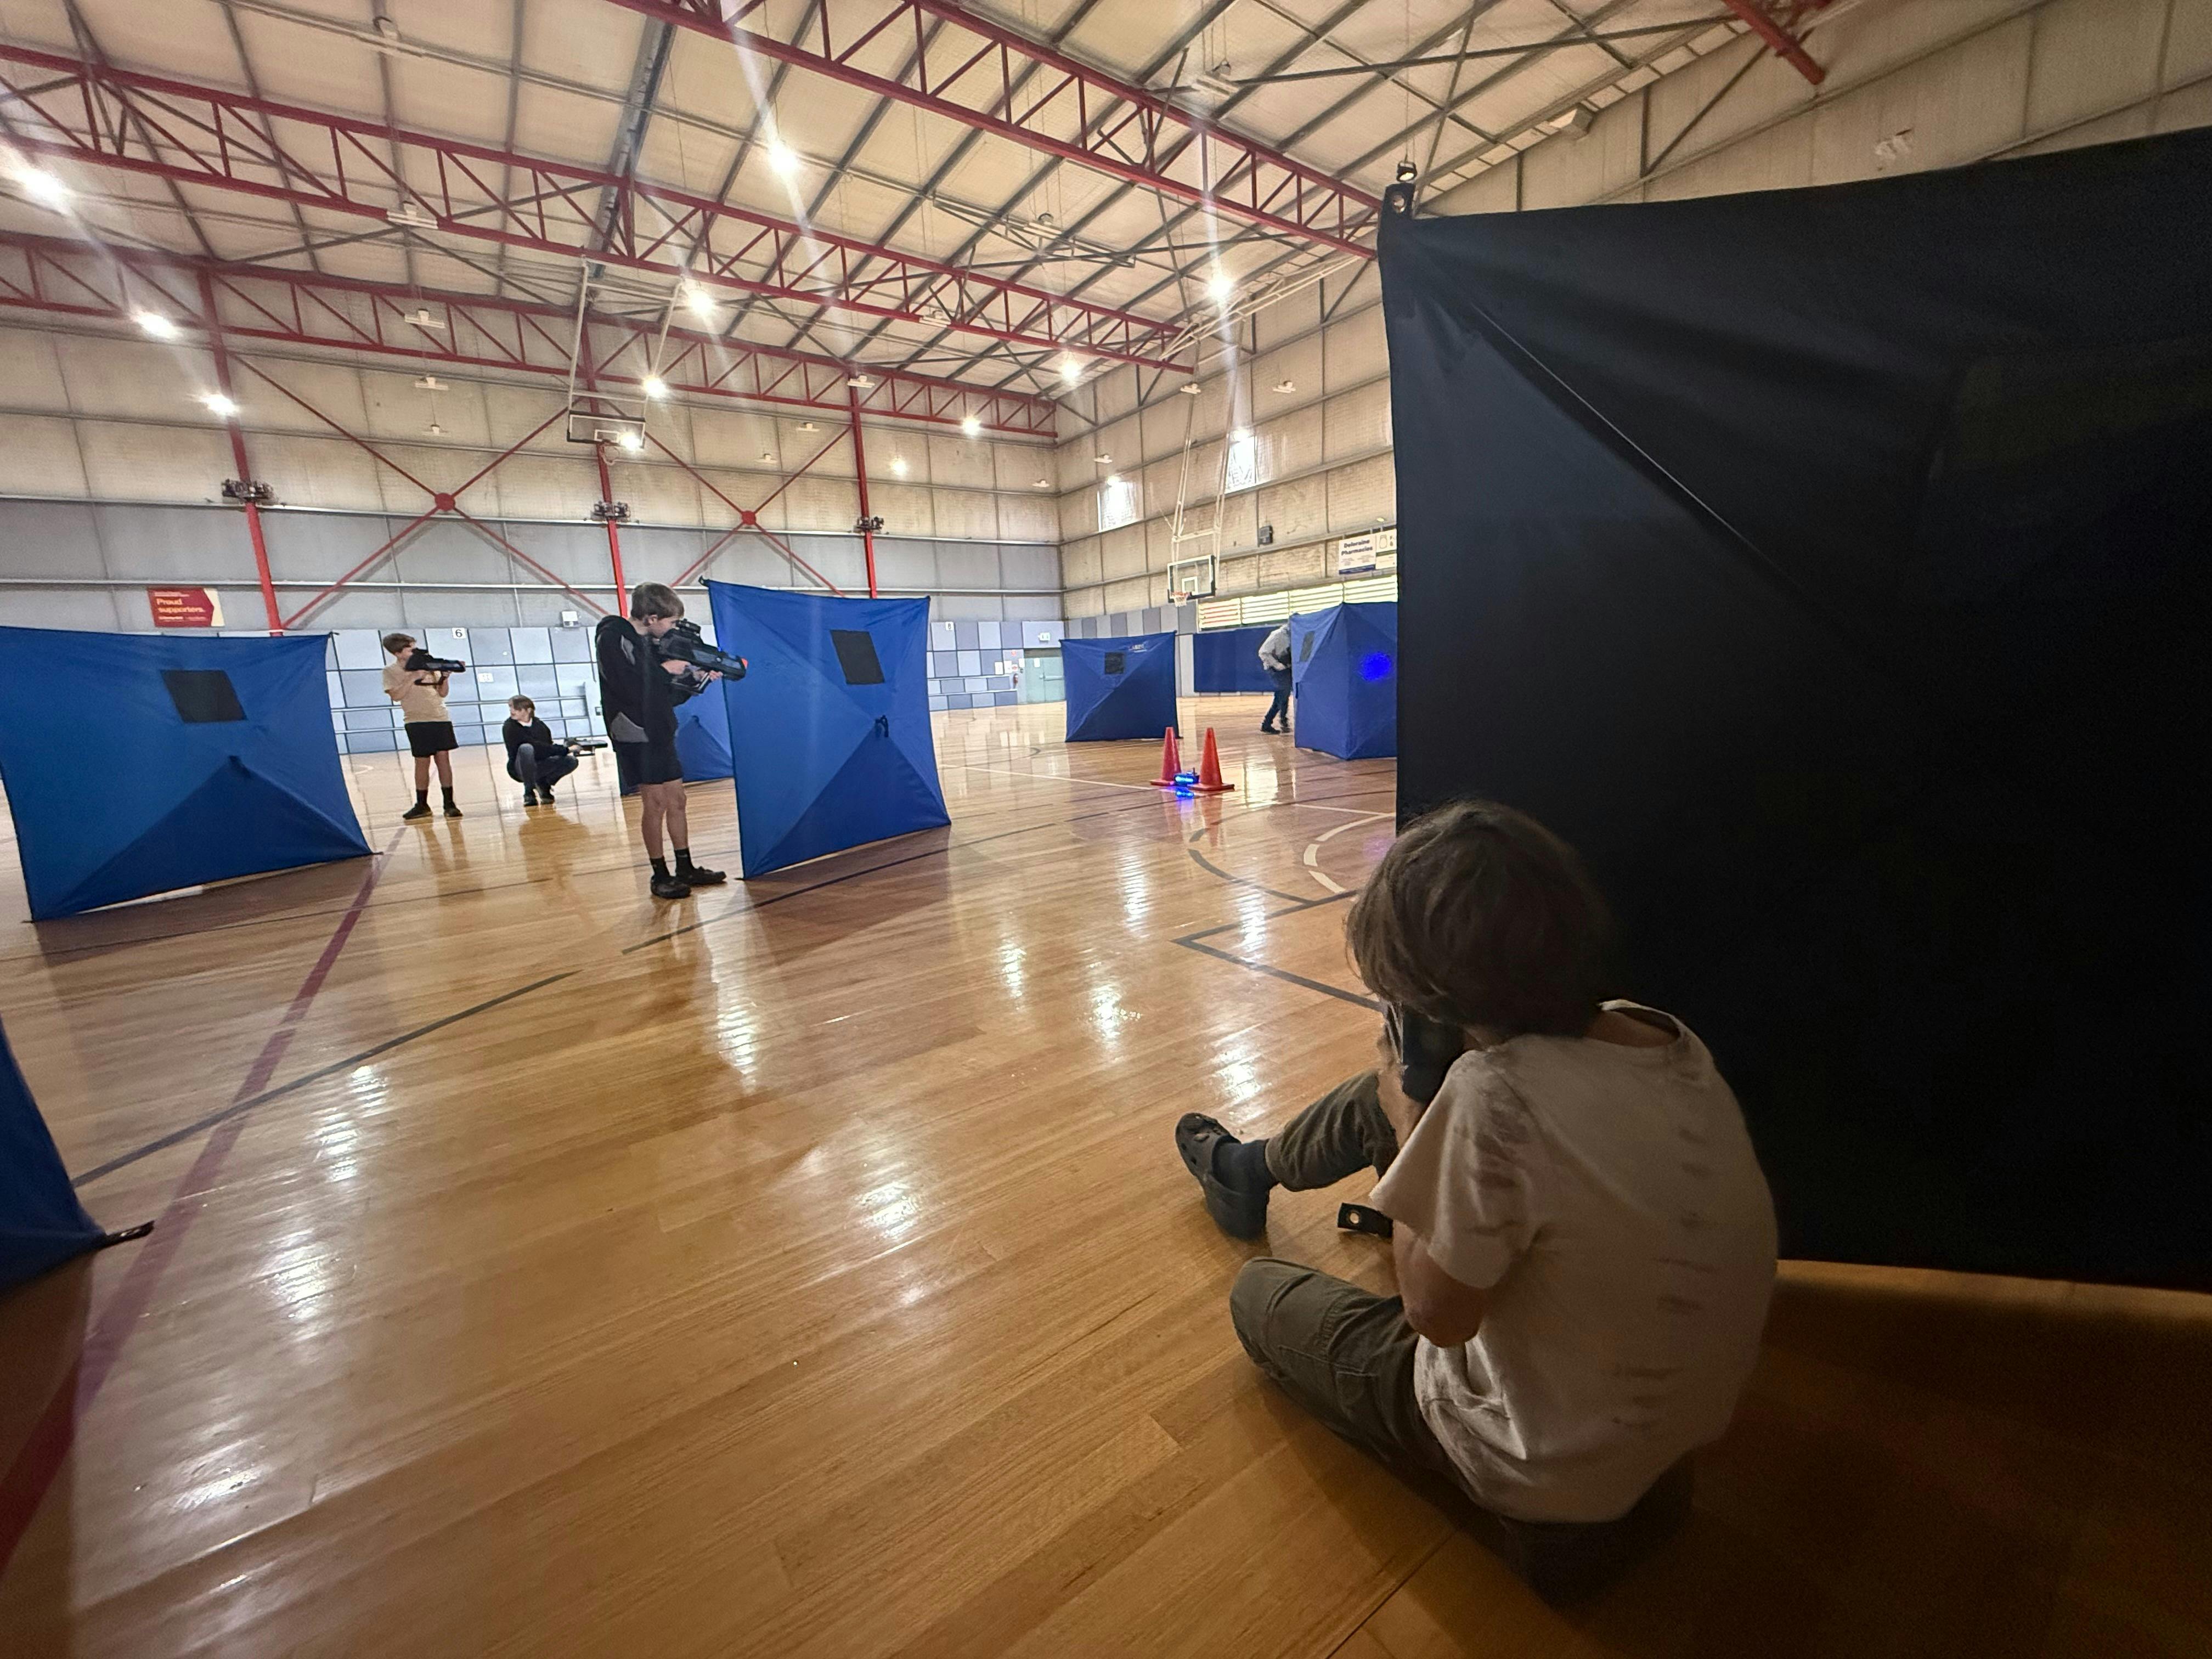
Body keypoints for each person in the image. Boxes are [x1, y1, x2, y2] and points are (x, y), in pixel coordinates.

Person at [1173, 800, 1776, 1533]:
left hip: (1539, 1464)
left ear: (1425, 1001)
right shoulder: (1658, 1036)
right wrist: (1410, 1095)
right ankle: (1249, 1168)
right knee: (1382, 1090)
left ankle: (1258, 1182)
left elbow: (1438, 1318)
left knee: (1256, 1292)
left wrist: (1413, 1108)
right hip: (1676, 1430)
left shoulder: (1495, 1097)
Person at [595, 583, 726, 900]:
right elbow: (629, 686)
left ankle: (685, 867)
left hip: (659, 729)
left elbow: (664, 697)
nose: (669, 630)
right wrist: (666, 671)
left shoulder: (648, 645)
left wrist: (694, 681)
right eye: (668, 622)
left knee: (677, 800)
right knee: (653, 805)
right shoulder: (613, 636)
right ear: (651, 617)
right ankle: (660, 874)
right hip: (635, 732)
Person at [381, 631, 462, 821]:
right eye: (410, 648)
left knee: (443, 760)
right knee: (422, 762)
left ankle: (449, 804)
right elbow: (396, 696)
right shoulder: (390, 671)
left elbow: (442, 693)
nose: (415, 651)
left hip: (440, 718)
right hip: (416, 721)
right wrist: (413, 676)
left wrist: (445, 677)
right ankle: (422, 804)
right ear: (398, 653)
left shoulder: (427, 665)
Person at [501, 695, 579, 807]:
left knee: (571, 761)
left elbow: (547, 746)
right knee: (526, 749)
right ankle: (529, 793)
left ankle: (544, 784)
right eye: (511, 708)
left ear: (528, 710)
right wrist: (566, 750)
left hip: (540, 764)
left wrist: (567, 749)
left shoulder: (540, 726)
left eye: (517, 709)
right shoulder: (510, 727)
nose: (512, 711)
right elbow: (537, 747)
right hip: (518, 768)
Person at [1257, 622, 1293, 733]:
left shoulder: (1297, 634)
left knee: (1284, 694)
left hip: (1288, 667)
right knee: (1282, 694)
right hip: (1275, 668)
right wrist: (1277, 665)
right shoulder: (1277, 635)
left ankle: (1283, 719)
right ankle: (1267, 723)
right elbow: (1263, 652)